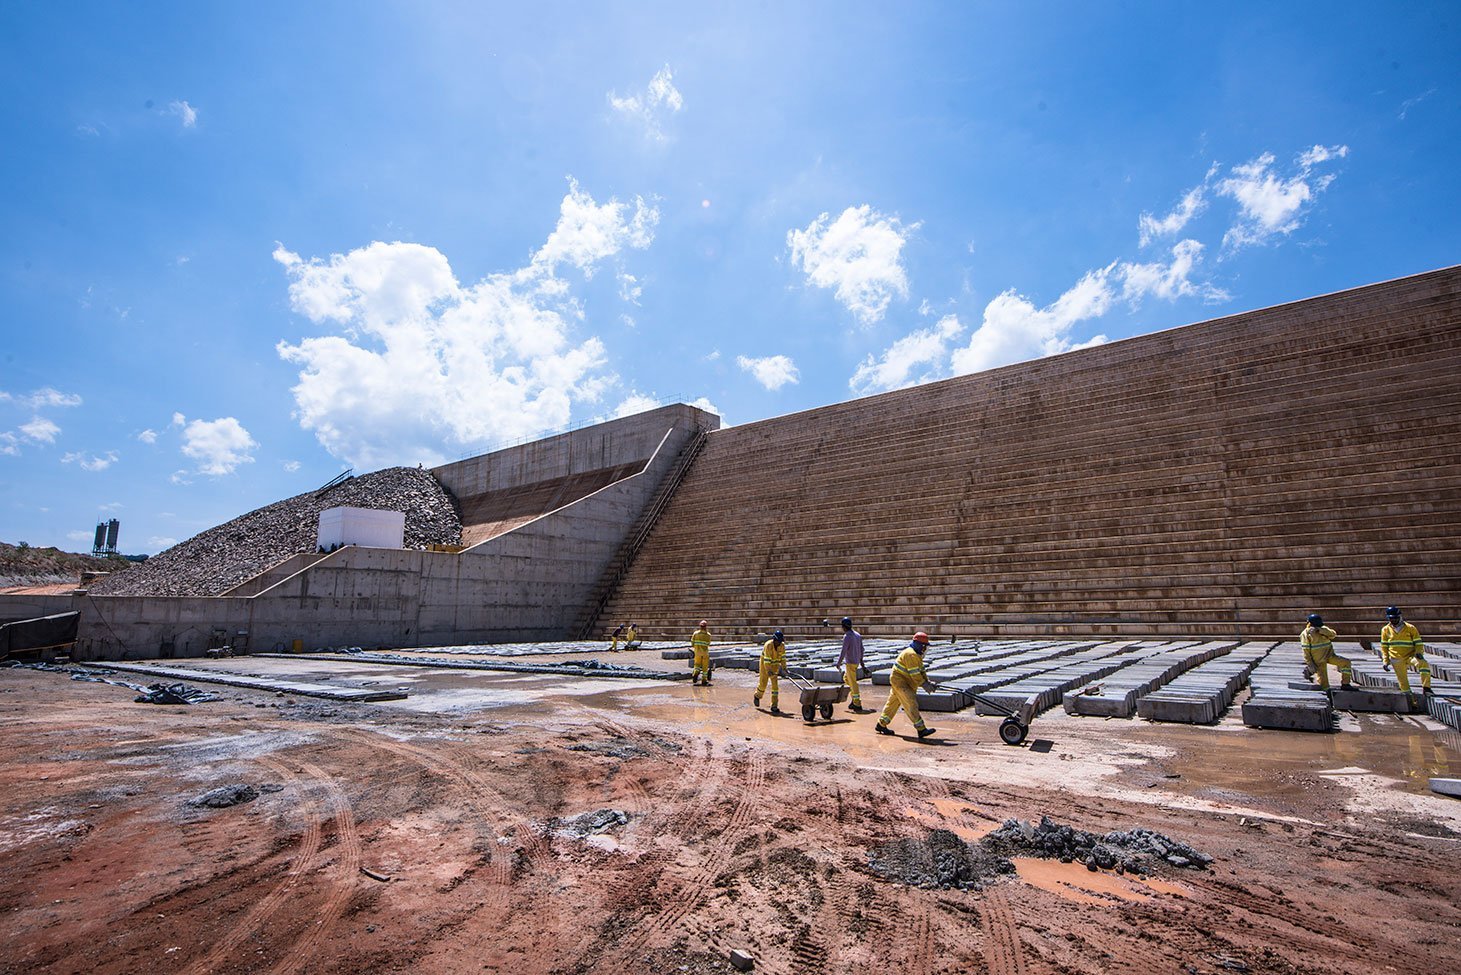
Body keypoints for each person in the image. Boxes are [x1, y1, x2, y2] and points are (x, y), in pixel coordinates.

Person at [875, 631, 938, 739]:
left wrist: (928, 682)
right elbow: (915, 675)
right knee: (910, 703)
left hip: (901, 681)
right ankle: (921, 729)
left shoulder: (916, 655)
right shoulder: (911, 654)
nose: (925, 649)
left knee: (893, 703)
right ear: (920, 645)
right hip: (900, 682)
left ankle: (881, 724)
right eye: (924, 646)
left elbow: (921, 671)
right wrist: (924, 685)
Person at [1380, 606, 1432, 695]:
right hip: (1396, 658)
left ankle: (1426, 688)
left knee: (1423, 664)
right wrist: (1385, 661)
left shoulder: (1410, 628)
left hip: (1410, 656)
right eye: (1392, 619)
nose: (1394, 620)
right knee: (1403, 682)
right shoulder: (1385, 630)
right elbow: (1384, 647)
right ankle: (1410, 701)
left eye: (1396, 618)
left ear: (1400, 617)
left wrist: (1419, 653)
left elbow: (1418, 643)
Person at [1300, 613, 1353, 691]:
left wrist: (1321, 630)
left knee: (1346, 663)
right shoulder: (1305, 634)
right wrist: (1310, 663)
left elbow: (1333, 634)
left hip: (1330, 655)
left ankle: (1346, 684)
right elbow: (1306, 651)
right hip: (1319, 660)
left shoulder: (1323, 628)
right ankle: (1327, 695)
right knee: (1324, 683)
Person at [835, 616, 866, 711]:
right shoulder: (857, 635)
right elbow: (862, 649)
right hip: (856, 662)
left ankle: (857, 703)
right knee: (846, 679)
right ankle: (854, 699)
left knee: (853, 683)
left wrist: (838, 663)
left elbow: (843, 651)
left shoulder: (847, 636)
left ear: (844, 627)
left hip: (850, 663)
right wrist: (862, 663)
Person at [755, 629, 789, 714]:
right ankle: (757, 696)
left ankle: (774, 706)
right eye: (778, 641)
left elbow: (783, 658)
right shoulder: (768, 645)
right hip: (765, 665)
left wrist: (784, 668)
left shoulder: (782, 646)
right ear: (774, 640)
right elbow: (766, 660)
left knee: (775, 687)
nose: (779, 643)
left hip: (775, 666)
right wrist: (768, 670)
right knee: (763, 683)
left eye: (780, 642)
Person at [690, 620, 713, 686]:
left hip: (697, 652)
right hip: (705, 653)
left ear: (700, 626)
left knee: (697, 665)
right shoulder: (708, 635)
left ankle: (695, 674)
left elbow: (692, 642)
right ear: (706, 627)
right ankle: (704, 680)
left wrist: (696, 647)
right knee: (705, 667)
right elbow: (708, 644)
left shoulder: (695, 633)